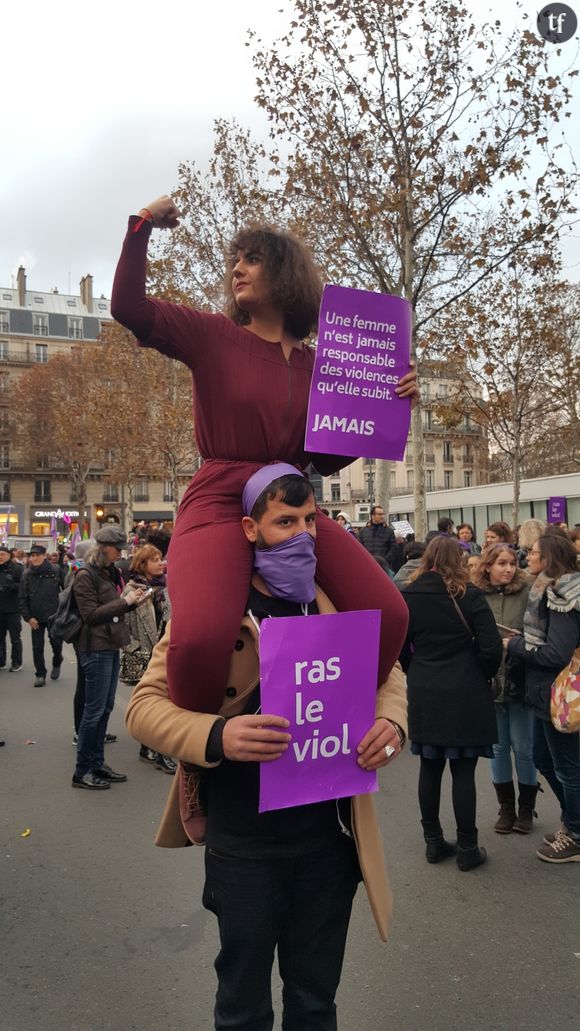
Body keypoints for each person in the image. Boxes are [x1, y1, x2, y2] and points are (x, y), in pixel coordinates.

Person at [126, 464, 408, 1031]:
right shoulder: (214, 610)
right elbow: (143, 707)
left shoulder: (334, 599)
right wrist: (216, 735)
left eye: (310, 519)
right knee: (243, 1005)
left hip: (330, 842)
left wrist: (392, 723)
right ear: (251, 529)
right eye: (285, 521)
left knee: (315, 1000)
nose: (302, 532)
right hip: (244, 846)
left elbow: (388, 671)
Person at [112, 196, 417, 718]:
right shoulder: (213, 335)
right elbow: (129, 308)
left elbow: (323, 458)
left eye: (251, 259)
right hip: (221, 497)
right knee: (202, 636)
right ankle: (202, 761)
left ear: (285, 275)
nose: (237, 268)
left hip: (293, 501)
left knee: (389, 612)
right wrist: (140, 227)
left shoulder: (323, 364)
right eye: (235, 259)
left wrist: (389, 405)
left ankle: (332, 719)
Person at [401, 536, 502, 869]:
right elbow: (491, 649)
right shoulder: (469, 596)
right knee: (463, 771)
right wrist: (481, 673)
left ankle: (433, 842)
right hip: (465, 689)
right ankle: (468, 848)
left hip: (424, 688)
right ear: (458, 561)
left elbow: (400, 650)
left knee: (429, 768)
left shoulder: (409, 596)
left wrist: (416, 669)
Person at [506, 534, 580, 863]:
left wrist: (517, 646)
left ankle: (576, 833)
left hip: (557, 695)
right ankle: (572, 821)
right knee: (544, 759)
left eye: (534, 553)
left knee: (566, 767)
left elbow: (556, 653)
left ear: (548, 559)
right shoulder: (551, 589)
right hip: (545, 693)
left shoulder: (561, 595)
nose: (528, 557)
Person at [71, 526, 148, 790]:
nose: (120, 555)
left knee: (104, 708)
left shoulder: (107, 572)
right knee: (93, 711)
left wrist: (133, 600)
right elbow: (90, 615)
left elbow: (109, 608)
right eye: (118, 550)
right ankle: (82, 771)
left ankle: (97, 763)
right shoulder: (85, 574)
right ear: (104, 548)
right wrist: (125, 602)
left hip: (109, 645)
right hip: (94, 647)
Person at [473, 545, 537, 833]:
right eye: (501, 563)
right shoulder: (476, 594)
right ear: (488, 566)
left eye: (512, 563)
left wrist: (520, 640)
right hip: (489, 681)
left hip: (521, 679)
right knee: (498, 748)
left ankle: (526, 808)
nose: (508, 568)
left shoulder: (528, 591)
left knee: (523, 748)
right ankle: (506, 808)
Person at [121, 544, 175, 774]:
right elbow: (120, 623)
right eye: (154, 560)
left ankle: (148, 747)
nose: (160, 563)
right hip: (143, 653)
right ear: (143, 564)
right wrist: (133, 648)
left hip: (166, 651)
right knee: (154, 702)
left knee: (166, 700)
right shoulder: (132, 590)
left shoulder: (167, 587)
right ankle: (159, 752)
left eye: (161, 559)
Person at [18, 544, 63, 687]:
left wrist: (63, 611)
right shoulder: (26, 574)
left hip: (53, 615)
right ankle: (40, 674)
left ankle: (57, 661)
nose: (35, 558)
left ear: (45, 556)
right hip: (35, 617)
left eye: (37, 555)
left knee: (56, 643)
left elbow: (67, 591)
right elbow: (22, 598)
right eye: (32, 556)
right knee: (37, 647)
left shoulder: (55, 570)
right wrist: (28, 617)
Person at [0, 544, 23, 672]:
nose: (0, 557)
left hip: (13, 609)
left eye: (3, 555)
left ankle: (16, 662)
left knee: (15, 638)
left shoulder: (16, 569)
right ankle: (1, 661)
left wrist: (11, 586)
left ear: (9, 555)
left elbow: (24, 585)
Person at [357, 504, 398, 568]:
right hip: (367, 565)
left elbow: (394, 548)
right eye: (379, 514)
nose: (382, 516)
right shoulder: (363, 531)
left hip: (384, 567)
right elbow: (359, 548)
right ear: (373, 516)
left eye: (383, 514)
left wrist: (384, 561)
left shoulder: (389, 531)